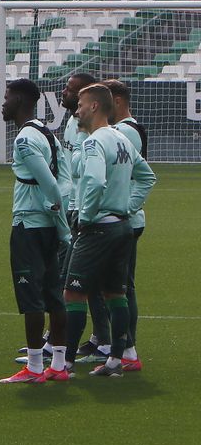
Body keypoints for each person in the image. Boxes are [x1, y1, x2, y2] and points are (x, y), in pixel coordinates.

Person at [59, 84, 155, 378]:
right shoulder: (122, 139)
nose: (77, 110)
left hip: (97, 227)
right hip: (122, 227)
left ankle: (66, 363)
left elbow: (96, 182)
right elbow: (147, 177)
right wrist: (127, 206)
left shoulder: (94, 142)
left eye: (81, 105)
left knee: (73, 294)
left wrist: (86, 216)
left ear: (95, 107)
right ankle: (116, 359)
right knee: (116, 293)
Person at [0, 79, 70, 384]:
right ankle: (58, 363)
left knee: (32, 299)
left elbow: (51, 184)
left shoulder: (25, 140)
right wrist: (58, 220)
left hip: (30, 226)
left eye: (7, 97)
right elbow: (66, 182)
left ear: (19, 100)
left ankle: (34, 366)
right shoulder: (47, 134)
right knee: (54, 295)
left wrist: (61, 224)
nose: (3, 103)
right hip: (47, 227)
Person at [55, 72, 111, 362]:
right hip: (70, 207)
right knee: (76, 278)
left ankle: (75, 343)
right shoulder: (72, 125)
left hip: (83, 213)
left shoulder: (92, 133)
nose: (65, 94)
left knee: (77, 279)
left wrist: (85, 212)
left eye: (72, 91)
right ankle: (95, 338)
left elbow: (94, 179)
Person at [107, 79, 147, 371]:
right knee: (117, 286)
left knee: (121, 287)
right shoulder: (126, 130)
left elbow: (133, 176)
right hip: (125, 218)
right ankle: (116, 344)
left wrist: (125, 208)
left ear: (117, 101)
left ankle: (126, 347)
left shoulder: (124, 133)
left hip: (124, 220)